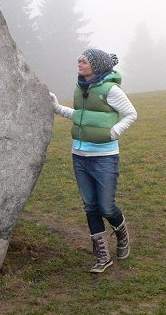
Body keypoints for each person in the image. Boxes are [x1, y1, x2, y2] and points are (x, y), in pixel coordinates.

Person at [49, 49, 137, 273]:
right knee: (90, 207)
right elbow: (80, 115)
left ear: (96, 66)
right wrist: (58, 108)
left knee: (106, 207)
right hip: (79, 156)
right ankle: (102, 256)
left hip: (105, 158)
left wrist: (114, 132)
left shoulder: (111, 89)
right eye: (79, 58)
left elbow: (131, 113)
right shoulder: (81, 87)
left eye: (85, 60)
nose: (79, 62)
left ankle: (122, 233)